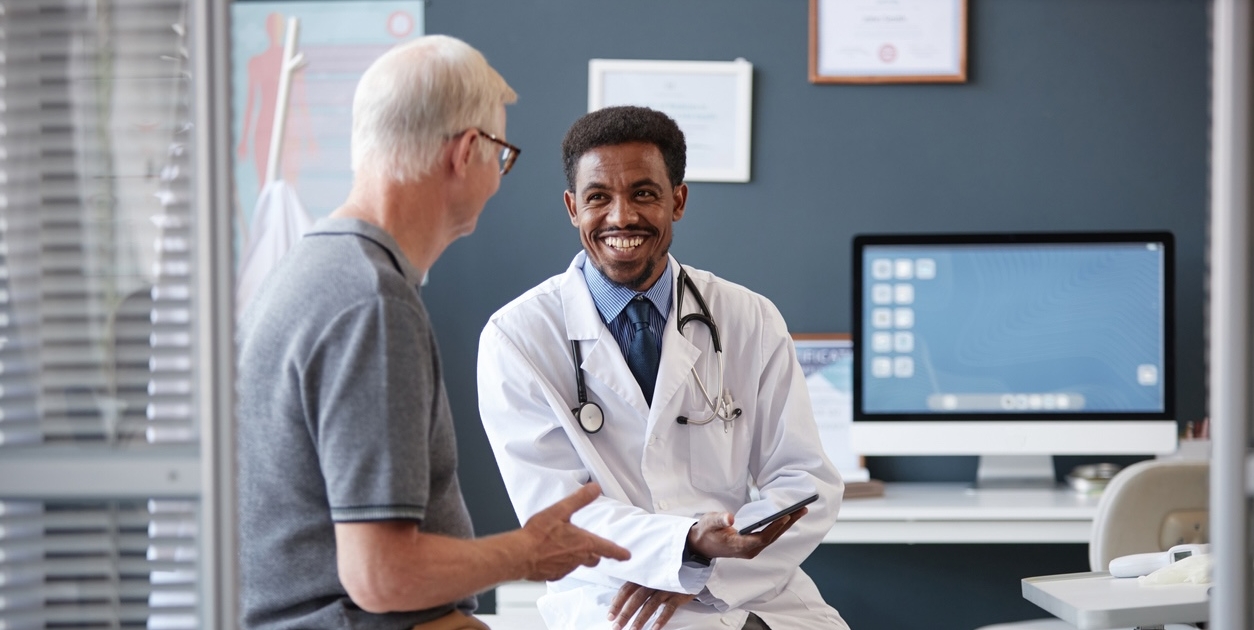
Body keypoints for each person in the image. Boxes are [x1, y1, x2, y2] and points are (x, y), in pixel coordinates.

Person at [236, 36, 630, 630]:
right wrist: (529, 553)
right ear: (467, 150)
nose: (498, 177)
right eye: (500, 154)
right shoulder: (371, 303)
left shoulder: (307, 271)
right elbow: (382, 575)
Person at [477, 106, 850, 630]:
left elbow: (806, 479)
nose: (621, 217)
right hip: (616, 595)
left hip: (756, 592)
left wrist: (703, 568)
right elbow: (557, 513)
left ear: (678, 200)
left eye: (644, 194)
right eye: (598, 197)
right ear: (571, 208)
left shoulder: (749, 317)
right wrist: (681, 549)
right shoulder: (518, 336)